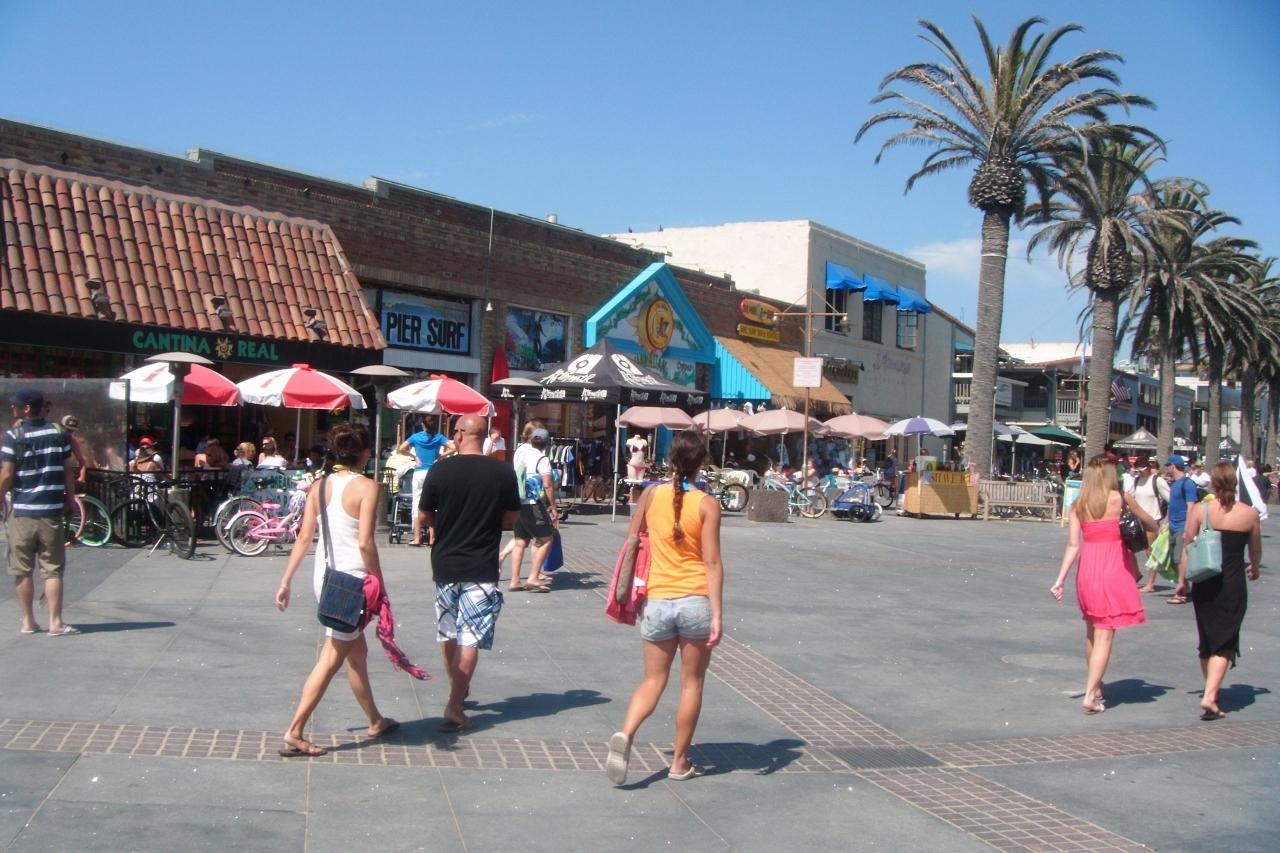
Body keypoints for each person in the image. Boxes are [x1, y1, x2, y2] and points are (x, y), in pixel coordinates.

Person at [607, 429, 724, 784]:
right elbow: (712, 562)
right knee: (691, 684)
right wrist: (717, 614)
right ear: (702, 463)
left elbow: (633, 540)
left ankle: (626, 733)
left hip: (657, 599)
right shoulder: (707, 504)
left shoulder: (650, 495)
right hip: (695, 601)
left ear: (671, 458)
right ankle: (680, 762)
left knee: (653, 679)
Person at [274, 423, 398, 757]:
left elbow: (304, 537)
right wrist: (379, 584)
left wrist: (286, 580)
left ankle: (375, 720)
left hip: (325, 579)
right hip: (352, 584)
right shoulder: (367, 487)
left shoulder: (319, 485)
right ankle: (295, 731)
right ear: (365, 453)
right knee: (331, 658)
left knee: (356, 654)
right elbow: (366, 543)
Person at [419, 415, 521, 732]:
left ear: (460, 435)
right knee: (471, 637)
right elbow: (512, 518)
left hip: (445, 563)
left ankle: (457, 690)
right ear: (483, 436)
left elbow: (424, 513)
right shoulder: (503, 472)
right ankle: (454, 702)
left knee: (448, 631)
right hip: (481, 565)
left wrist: (438, 526)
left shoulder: (440, 469)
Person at [1050, 454, 1156, 715]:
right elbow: (1152, 523)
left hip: (1088, 570)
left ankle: (1095, 687)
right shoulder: (1121, 499)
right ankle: (1090, 694)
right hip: (1113, 568)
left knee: (1092, 630)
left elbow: (1073, 545)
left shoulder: (1079, 504)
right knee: (1105, 634)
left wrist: (1060, 580)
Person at [1179, 462, 1262, 720]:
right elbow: (1255, 551)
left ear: (1213, 483)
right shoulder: (1249, 514)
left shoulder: (1201, 510)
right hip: (1232, 582)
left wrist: (1182, 580)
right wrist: (1255, 567)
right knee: (1225, 641)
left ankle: (1211, 694)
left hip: (1205, 581)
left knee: (1207, 639)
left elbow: (1188, 545)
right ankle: (1210, 696)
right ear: (1235, 483)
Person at [1, 390, 79, 636]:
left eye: (15, 406)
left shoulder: (13, 436)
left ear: (26, 408)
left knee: (22, 569)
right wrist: (70, 499)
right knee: (53, 569)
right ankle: (55, 623)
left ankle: (28, 622)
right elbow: (68, 470)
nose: (12, 408)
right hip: (51, 512)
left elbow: (7, 474)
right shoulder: (58, 433)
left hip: (22, 513)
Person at [507, 423, 558, 592]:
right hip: (533, 504)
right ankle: (534, 577)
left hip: (517, 501)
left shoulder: (520, 452)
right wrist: (553, 506)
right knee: (546, 539)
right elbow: (548, 485)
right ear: (546, 443)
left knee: (520, 541)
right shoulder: (542, 459)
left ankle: (515, 580)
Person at [397, 419, 447, 547]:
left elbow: (401, 448)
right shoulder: (438, 437)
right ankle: (432, 538)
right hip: (433, 472)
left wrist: (414, 457)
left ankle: (417, 538)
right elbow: (454, 447)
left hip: (419, 472)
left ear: (423, 425)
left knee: (416, 504)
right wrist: (441, 456)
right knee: (433, 504)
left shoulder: (416, 437)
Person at [1165, 454, 1201, 605]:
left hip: (1182, 525)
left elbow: (1191, 506)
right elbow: (1171, 505)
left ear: (1173, 466)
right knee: (1174, 558)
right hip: (1173, 525)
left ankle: (1181, 591)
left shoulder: (1188, 483)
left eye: (1168, 466)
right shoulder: (1174, 484)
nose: (1167, 469)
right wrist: (1165, 522)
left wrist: (1188, 527)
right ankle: (1186, 588)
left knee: (1179, 558)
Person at [1130, 459, 1171, 593]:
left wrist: (1166, 520)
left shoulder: (1157, 481)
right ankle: (1136, 574)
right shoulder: (1136, 480)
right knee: (1129, 549)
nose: (1139, 473)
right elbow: (1130, 497)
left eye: (1141, 470)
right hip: (1137, 520)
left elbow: (1171, 500)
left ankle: (1150, 583)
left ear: (1147, 468)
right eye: (1137, 470)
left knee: (1150, 551)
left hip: (1152, 520)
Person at [58, 415, 95, 483]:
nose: (69, 433)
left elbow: (81, 461)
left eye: (72, 431)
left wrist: (82, 477)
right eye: (68, 430)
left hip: (67, 476)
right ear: (61, 427)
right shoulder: (54, 438)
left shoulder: (72, 441)